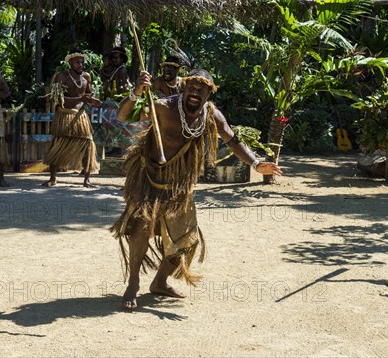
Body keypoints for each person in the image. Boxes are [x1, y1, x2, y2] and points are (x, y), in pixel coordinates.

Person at [111, 68, 282, 309]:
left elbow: (232, 140)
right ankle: (134, 282)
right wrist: (136, 91)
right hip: (149, 177)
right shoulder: (162, 106)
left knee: (185, 240)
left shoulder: (212, 115)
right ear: (184, 87)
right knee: (141, 226)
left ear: (208, 94)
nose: (195, 92)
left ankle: (159, 282)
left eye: (201, 89)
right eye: (191, 87)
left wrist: (255, 163)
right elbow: (123, 116)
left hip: (180, 184)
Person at [42, 50, 102, 187]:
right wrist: (82, 98)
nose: (80, 65)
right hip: (65, 114)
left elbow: (87, 96)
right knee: (58, 144)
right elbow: (58, 99)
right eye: (77, 62)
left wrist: (93, 101)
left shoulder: (87, 77)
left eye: (82, 62)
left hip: (81, 116)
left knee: (88, 145)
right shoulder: (61, 77)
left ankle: (87, 180)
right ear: (70, 63)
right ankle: (53, 178)